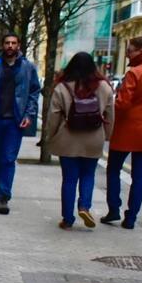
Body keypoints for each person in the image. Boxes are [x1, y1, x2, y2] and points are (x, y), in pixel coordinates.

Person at [103, 35, 142, 229]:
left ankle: (114, 209)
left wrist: (111, 107)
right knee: (139, 176)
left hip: (126, 130)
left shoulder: (135, 73)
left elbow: (122, 104)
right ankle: (131, 218)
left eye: (130, 50)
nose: (128, 54)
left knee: (113, 169)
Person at [46, 52, 115, 229]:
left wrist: (51, 136)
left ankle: (67, 218)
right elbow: (110, 114)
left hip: (68, 138)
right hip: (94, 137)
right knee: (88, 174)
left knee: (69, 179)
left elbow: (53, 116)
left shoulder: (62, 87)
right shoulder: (104, 87)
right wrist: (107, 135)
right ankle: (84, 206)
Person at [0, 34, 41, 214]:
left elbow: (34, 92)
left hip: (15, 121)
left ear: (18, 45)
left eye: (13, 43)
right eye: (7, 43)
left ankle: (4, 196)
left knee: (8, 159)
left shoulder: (27, 67)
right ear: (2, 45)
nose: (10, 46)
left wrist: (29, 114)